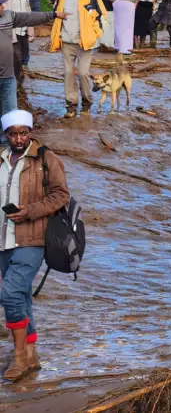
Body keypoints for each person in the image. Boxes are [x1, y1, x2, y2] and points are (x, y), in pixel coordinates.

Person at [0, 109, 70, 381]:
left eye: (23, 132)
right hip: (3, 240)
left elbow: (61, 195)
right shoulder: (2, 158)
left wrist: (29, 211)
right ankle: (30, 354)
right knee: (22, 295)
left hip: (33, 237)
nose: (18, 138)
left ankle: (18, 358)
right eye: (13, 133)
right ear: (6, 134)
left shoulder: (45, 158)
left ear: (31, 132)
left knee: (9, 294)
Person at [51, 0, 106, 118]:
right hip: (67, 41)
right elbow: (56, 16)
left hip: (85, 43)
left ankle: (87, 104)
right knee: (68, 74)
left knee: (83, 73)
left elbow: (101, 15)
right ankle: (71, 106)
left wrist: (95, 34)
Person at [0, 0, 61, 114]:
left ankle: (8, 132)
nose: (3, 7)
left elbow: (29, 17)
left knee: (11, 113)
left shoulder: (8, 16)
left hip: (8, 75)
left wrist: (53, 14)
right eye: (0, 5)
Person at [1, 0, 34, 90]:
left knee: (23, 59)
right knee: (15, 62)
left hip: (23, 32)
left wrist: (31, 31)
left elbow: (28, 12)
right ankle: (12, 90)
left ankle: (18, 87)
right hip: (11, 34)